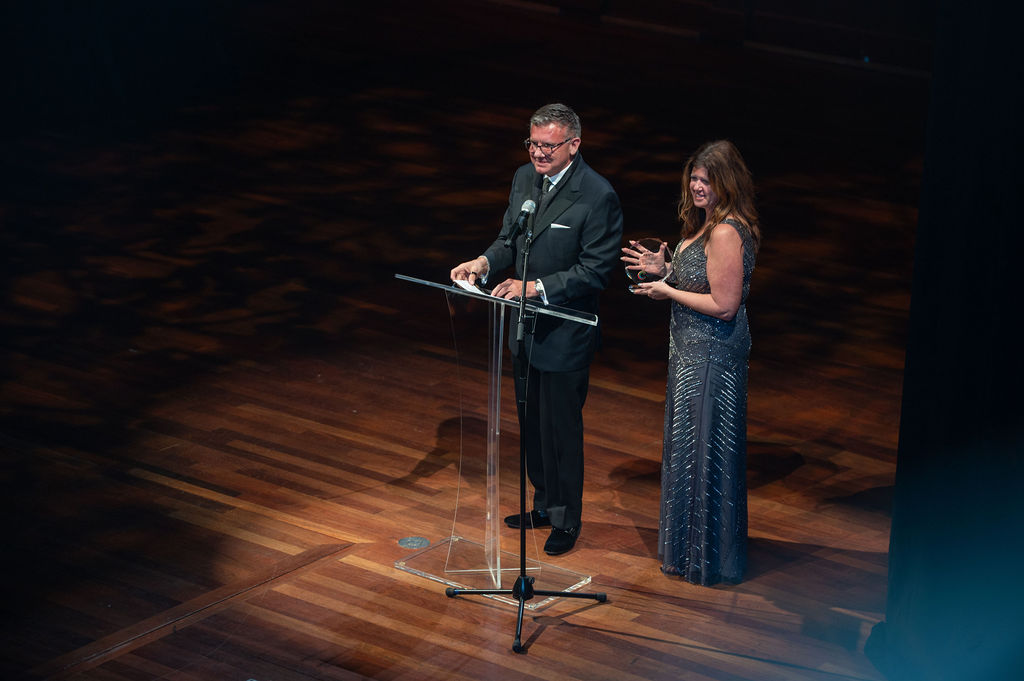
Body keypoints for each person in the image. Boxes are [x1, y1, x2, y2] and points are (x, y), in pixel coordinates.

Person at [450, 103, 623, 556]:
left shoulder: (596, 194)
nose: (539, 154)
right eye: (533, 144)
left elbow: (596, 270)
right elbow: (510, 239)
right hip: (523, 330)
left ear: (574, 145)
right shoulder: (523, 179)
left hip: (564, 331)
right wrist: (483, 262)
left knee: (560, 427)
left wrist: (535, 287)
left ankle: (567, 518)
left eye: (549, 146)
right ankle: (544, 504)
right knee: (532, 424)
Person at [622, 140, 760, 585]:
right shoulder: (710, 225)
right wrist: (665, 270)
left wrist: (666, 291)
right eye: (694, 178)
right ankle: (689, 550)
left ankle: (708, 557)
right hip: (690, 353)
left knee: (704, 452)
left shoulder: (725, 232)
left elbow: (723, 304)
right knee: (690, 450)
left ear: (727, 183)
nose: (697, 186)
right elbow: (702, 282)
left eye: (706, 180)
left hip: (710, 358)